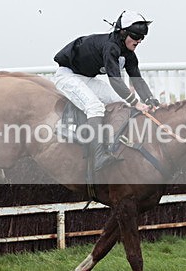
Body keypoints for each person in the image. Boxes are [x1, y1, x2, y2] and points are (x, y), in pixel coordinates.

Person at [53, 10, 159, 170]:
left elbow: (137, 79)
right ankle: (97, 156)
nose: (139, 41)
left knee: (120, 102)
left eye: (142, 38)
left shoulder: (129, 54)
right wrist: (136, 102)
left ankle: (112, 140)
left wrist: (151, 101)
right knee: (95, 106)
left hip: (85, 77)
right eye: (136, 37)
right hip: (67, 75)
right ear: (123, 33)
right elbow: (115, 80)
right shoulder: (111, 47)